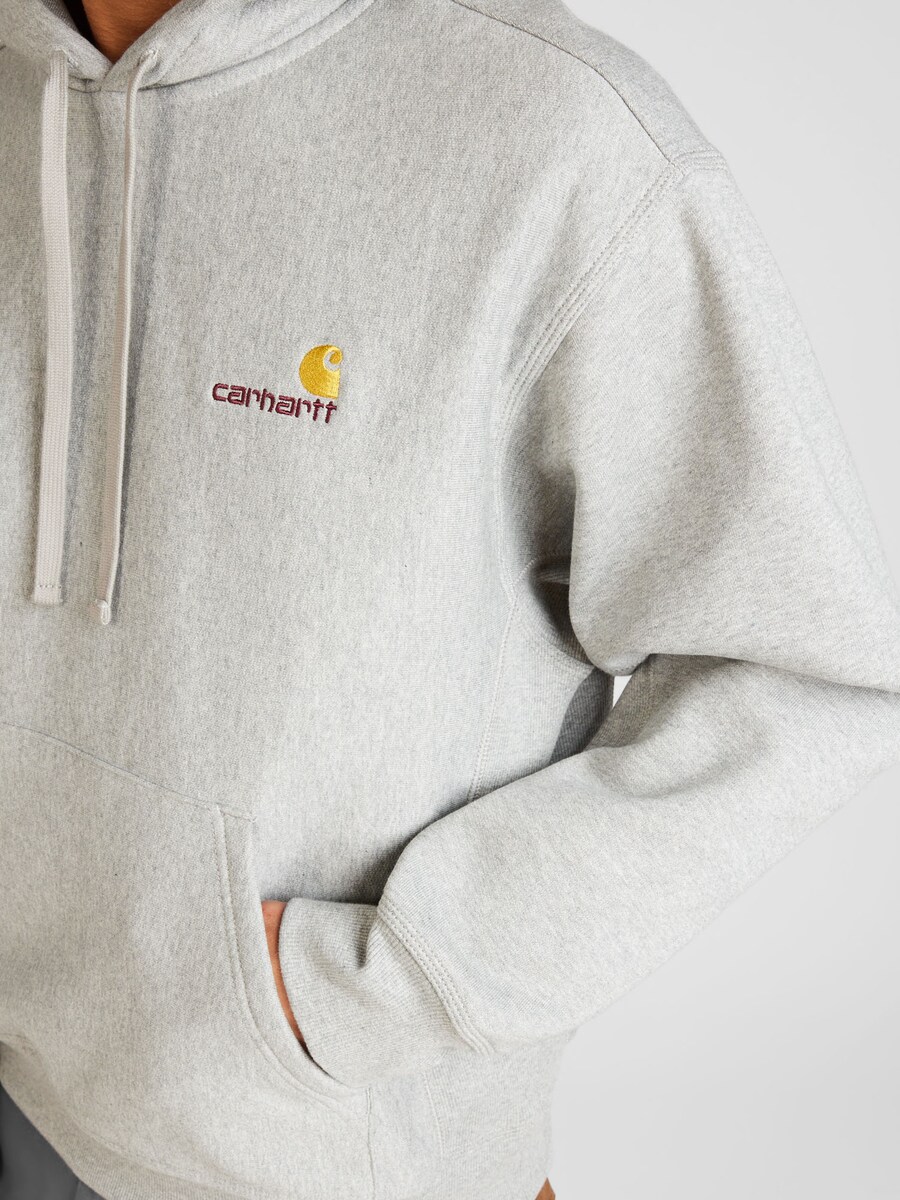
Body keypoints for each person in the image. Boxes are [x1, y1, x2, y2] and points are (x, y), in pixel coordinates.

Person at [1, 0, 898, 1194]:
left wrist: (398, 974)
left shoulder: (555, 133)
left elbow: (799, 673)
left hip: (318, 1144)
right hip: (24, 1094)